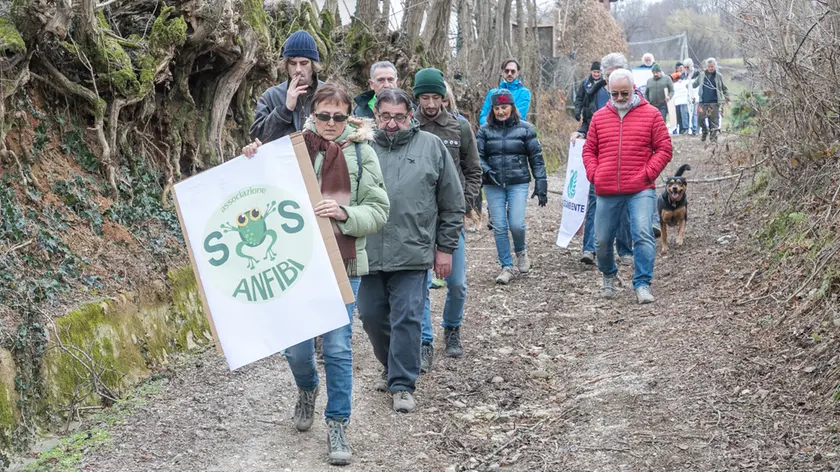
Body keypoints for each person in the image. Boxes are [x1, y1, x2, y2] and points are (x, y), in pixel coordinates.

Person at [241, 84, 390, 466]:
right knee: (297, 348)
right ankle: (307, 388)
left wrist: (345, 214)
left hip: (345, 261)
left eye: (339, 116)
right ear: (313, 112)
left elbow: (378, 209)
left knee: (338, 347)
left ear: (348, 116)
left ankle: (338, 422)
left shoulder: (363, 152)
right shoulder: (292, 147)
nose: (330, 123)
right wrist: (252, 159)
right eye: (324, 115)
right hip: (299, 264)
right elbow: (259, 188)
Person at [359, 88, 464, 413]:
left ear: (411, 116)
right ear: (376, 116)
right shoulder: (360, 147)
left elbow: (452, 202)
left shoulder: (430, 147)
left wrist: (445, 249)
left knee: (407, 317)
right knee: (372, 316)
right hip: (368, 250)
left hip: (413, 251)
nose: (392, 123)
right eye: (385, 117)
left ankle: (402, 383)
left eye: (399, 117)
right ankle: (390, 365)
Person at [582, 69, 672, 304]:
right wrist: (595, 174)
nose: (620, 98)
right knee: (601, 240)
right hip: (606, 188)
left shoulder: (651, 115)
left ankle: (642, 283)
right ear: (607, 91)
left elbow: (664, 148)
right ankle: (609, 274)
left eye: (625, 93)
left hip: (640, 188)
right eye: (615, 93)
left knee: (642, 233)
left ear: (634, 89)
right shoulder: (599, 118)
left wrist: (648, 173)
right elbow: (589, 150)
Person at [413, 69, 482, 372]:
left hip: (451, 220)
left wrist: (463, 205)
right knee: (421, 285)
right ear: (417, 97)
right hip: (416, 219)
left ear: (444, 97)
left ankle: (451, 327)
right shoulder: (408, 124)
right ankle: (424, 341)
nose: (430, 103)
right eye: (424, 97)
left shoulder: (460, 127)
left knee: (456, 283)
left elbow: (474, 170)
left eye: (435, 97)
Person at [570, 52, 634, 266]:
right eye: (607, 75)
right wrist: (581, 132)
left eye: (614, 73)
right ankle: (589, 248)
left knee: (624, 204)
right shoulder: (595, 92)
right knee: (595, 200)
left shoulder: (634, 94)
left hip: (626, 158)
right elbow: (589, 120)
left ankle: (624, 249)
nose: (610, 79)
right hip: (601, 156)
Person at [477, 89, 547, 285]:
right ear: (492, 110)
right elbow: (477, 155)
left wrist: (541, 183)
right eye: (497, 108)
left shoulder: (526, 129)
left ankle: (521, 251)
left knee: (516, 223)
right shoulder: (484, 131)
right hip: (493, 183)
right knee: (499, 226)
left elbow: (536, 159)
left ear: (512, 107)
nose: (501, 112)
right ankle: (506, 266)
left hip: (518, 182)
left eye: (504, 107)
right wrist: (486, 169)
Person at [250, 30, 324, 142]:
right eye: (293, 63)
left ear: (313, 65)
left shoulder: (329, 93)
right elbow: (258, 138)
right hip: (285, 159)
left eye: (304, 63)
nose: (298, 69)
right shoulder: (271, 96)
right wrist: (285, 110)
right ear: (286, 65)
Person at [478, 58, 532, 125]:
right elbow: (483, 116)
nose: (509, 74)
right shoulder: (492, 93)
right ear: (502, 72)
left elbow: (519, 116)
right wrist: (489, 129)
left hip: (515, 131)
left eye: (513, 71)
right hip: (493, 131)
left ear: (517, 73)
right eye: (507, 71)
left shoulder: (523, 93)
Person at [693, 57, 731, 143]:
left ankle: (713, 139)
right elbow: (694, 84)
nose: (710, 68)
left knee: (713, 121)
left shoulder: (718, 76)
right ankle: (705, 130)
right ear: (706, 66)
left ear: (715, 66)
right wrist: (688, 85)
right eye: (709, 66)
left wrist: (728, 100)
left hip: (714, 102)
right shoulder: (702, 75)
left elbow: (724, 89)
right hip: (703, 102)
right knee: (700, 118)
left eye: (712, 66)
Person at [684, 59, 701, 135]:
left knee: (694, 113)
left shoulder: (697, 73)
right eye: (685, 67)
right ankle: (688, 128)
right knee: (687, 112)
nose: (686, 69)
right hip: (686, 97)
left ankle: (695, 129)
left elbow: (697, 84)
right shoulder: (683, 74)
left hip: (695, 96)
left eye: (688, 67)